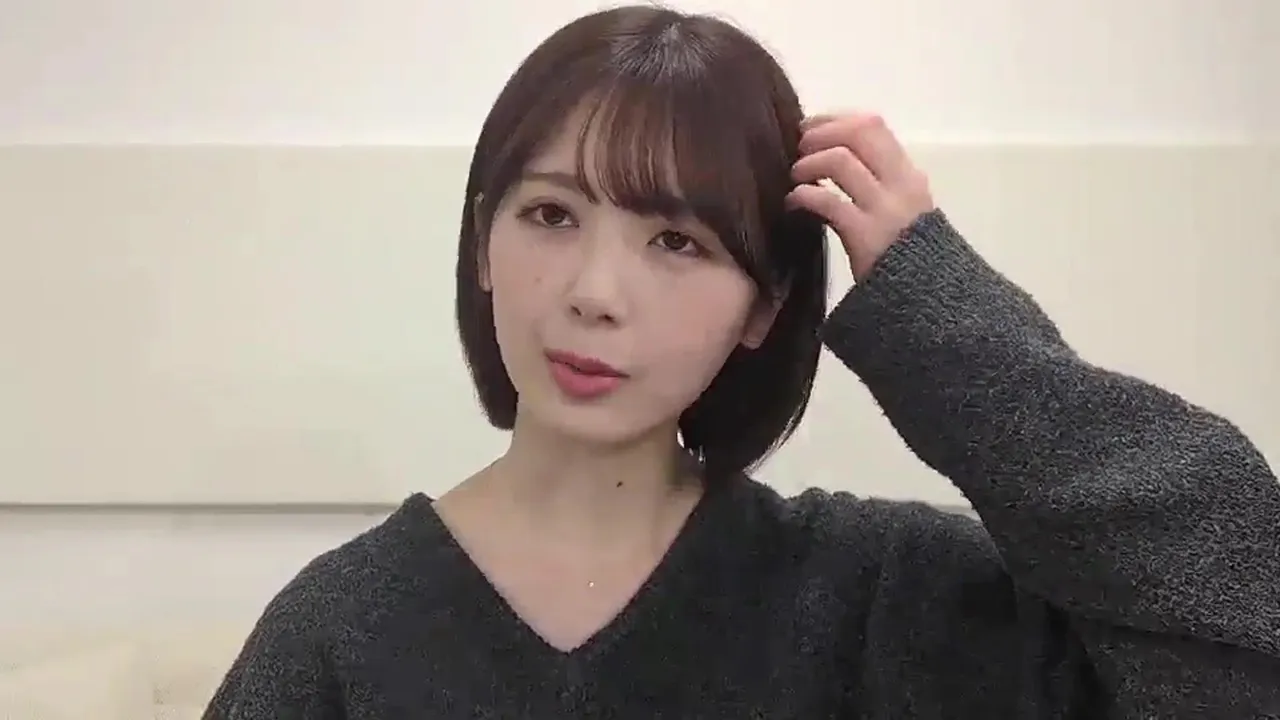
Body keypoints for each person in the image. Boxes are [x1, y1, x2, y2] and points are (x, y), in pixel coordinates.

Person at [202, 6, 1280, 719]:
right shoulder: (340, 630)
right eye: (550, 216)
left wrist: (946, 318)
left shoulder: (879, 597)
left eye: (677, 241)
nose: (594, 291)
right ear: (483, 242)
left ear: (764, 307)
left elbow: (1242, 633)